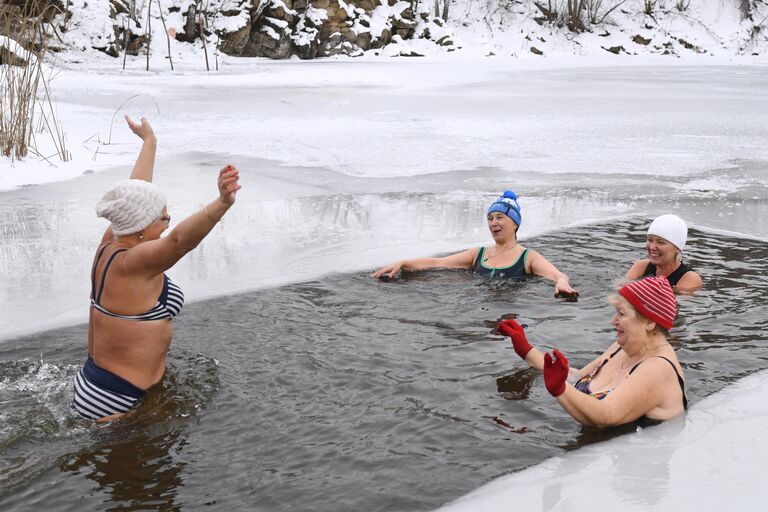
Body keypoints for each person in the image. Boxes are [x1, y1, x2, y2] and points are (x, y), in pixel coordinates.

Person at [71, 115, 241, 422]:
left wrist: (150, 141)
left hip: (97, 382)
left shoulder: (112, 241)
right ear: (139, 228)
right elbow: (179, 243)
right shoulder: (133, 263)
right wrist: (221, 203)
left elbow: (136, 193)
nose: (168, 221)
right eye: (162, 218)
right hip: (117, 400)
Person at [497, 276, 687, 427]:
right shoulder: (623, 347)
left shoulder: (658, 368)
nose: (613, 321)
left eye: (621, 314)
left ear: (649, 322)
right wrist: (526, 350)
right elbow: (576, 378)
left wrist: (559, 390)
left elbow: (607, 414)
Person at [371, 189, 579, 299]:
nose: (493, 223)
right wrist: (403, 263)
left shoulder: (528, 257)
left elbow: (558, 275)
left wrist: (562, 283)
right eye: (490, 218)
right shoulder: (478, 254)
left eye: (499, 217)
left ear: (515, 223)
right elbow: (437, 263)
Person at [625, 214, 702, 292]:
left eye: (661, 242)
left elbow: (671, 303)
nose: (652, 247)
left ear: (677, 248)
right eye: (650, 240)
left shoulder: (690, 278)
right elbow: (619, 291)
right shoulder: (642, 266)